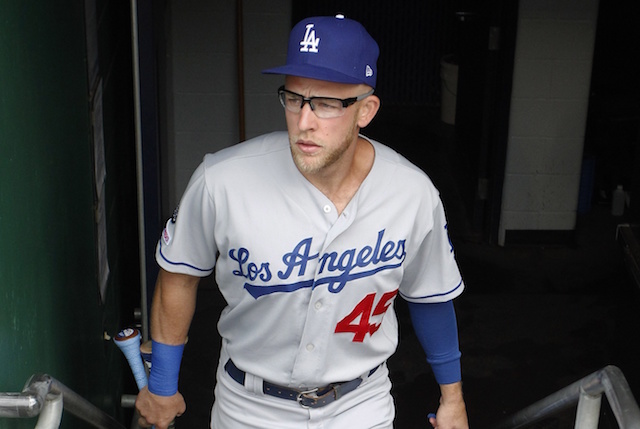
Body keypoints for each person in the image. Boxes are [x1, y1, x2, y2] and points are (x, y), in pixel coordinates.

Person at [135, 14, 469, 429]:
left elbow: (431, 296)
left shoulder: (412, 192)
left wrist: (451, 397)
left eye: (327, 104)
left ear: (366, 110)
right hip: (249, 407)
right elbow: (178, 277)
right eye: (295, 99)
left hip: (360, 405)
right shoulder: (221, 180)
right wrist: (163, 385)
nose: (304, 122)